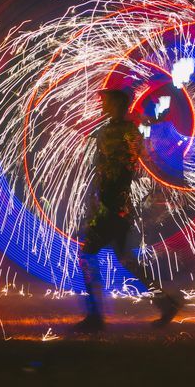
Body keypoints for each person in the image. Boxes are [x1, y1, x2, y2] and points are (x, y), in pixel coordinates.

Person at [73, 88, 183, 332]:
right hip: (118, 204)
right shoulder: (121, 131)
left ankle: (95, 316)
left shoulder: (117, 132)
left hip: (113, 205)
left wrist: (104, 201)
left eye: (106, 100)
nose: (101, 103)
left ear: (116, 105)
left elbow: (118, 169)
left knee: (87, 255)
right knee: (125, 259)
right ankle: (167, 303)